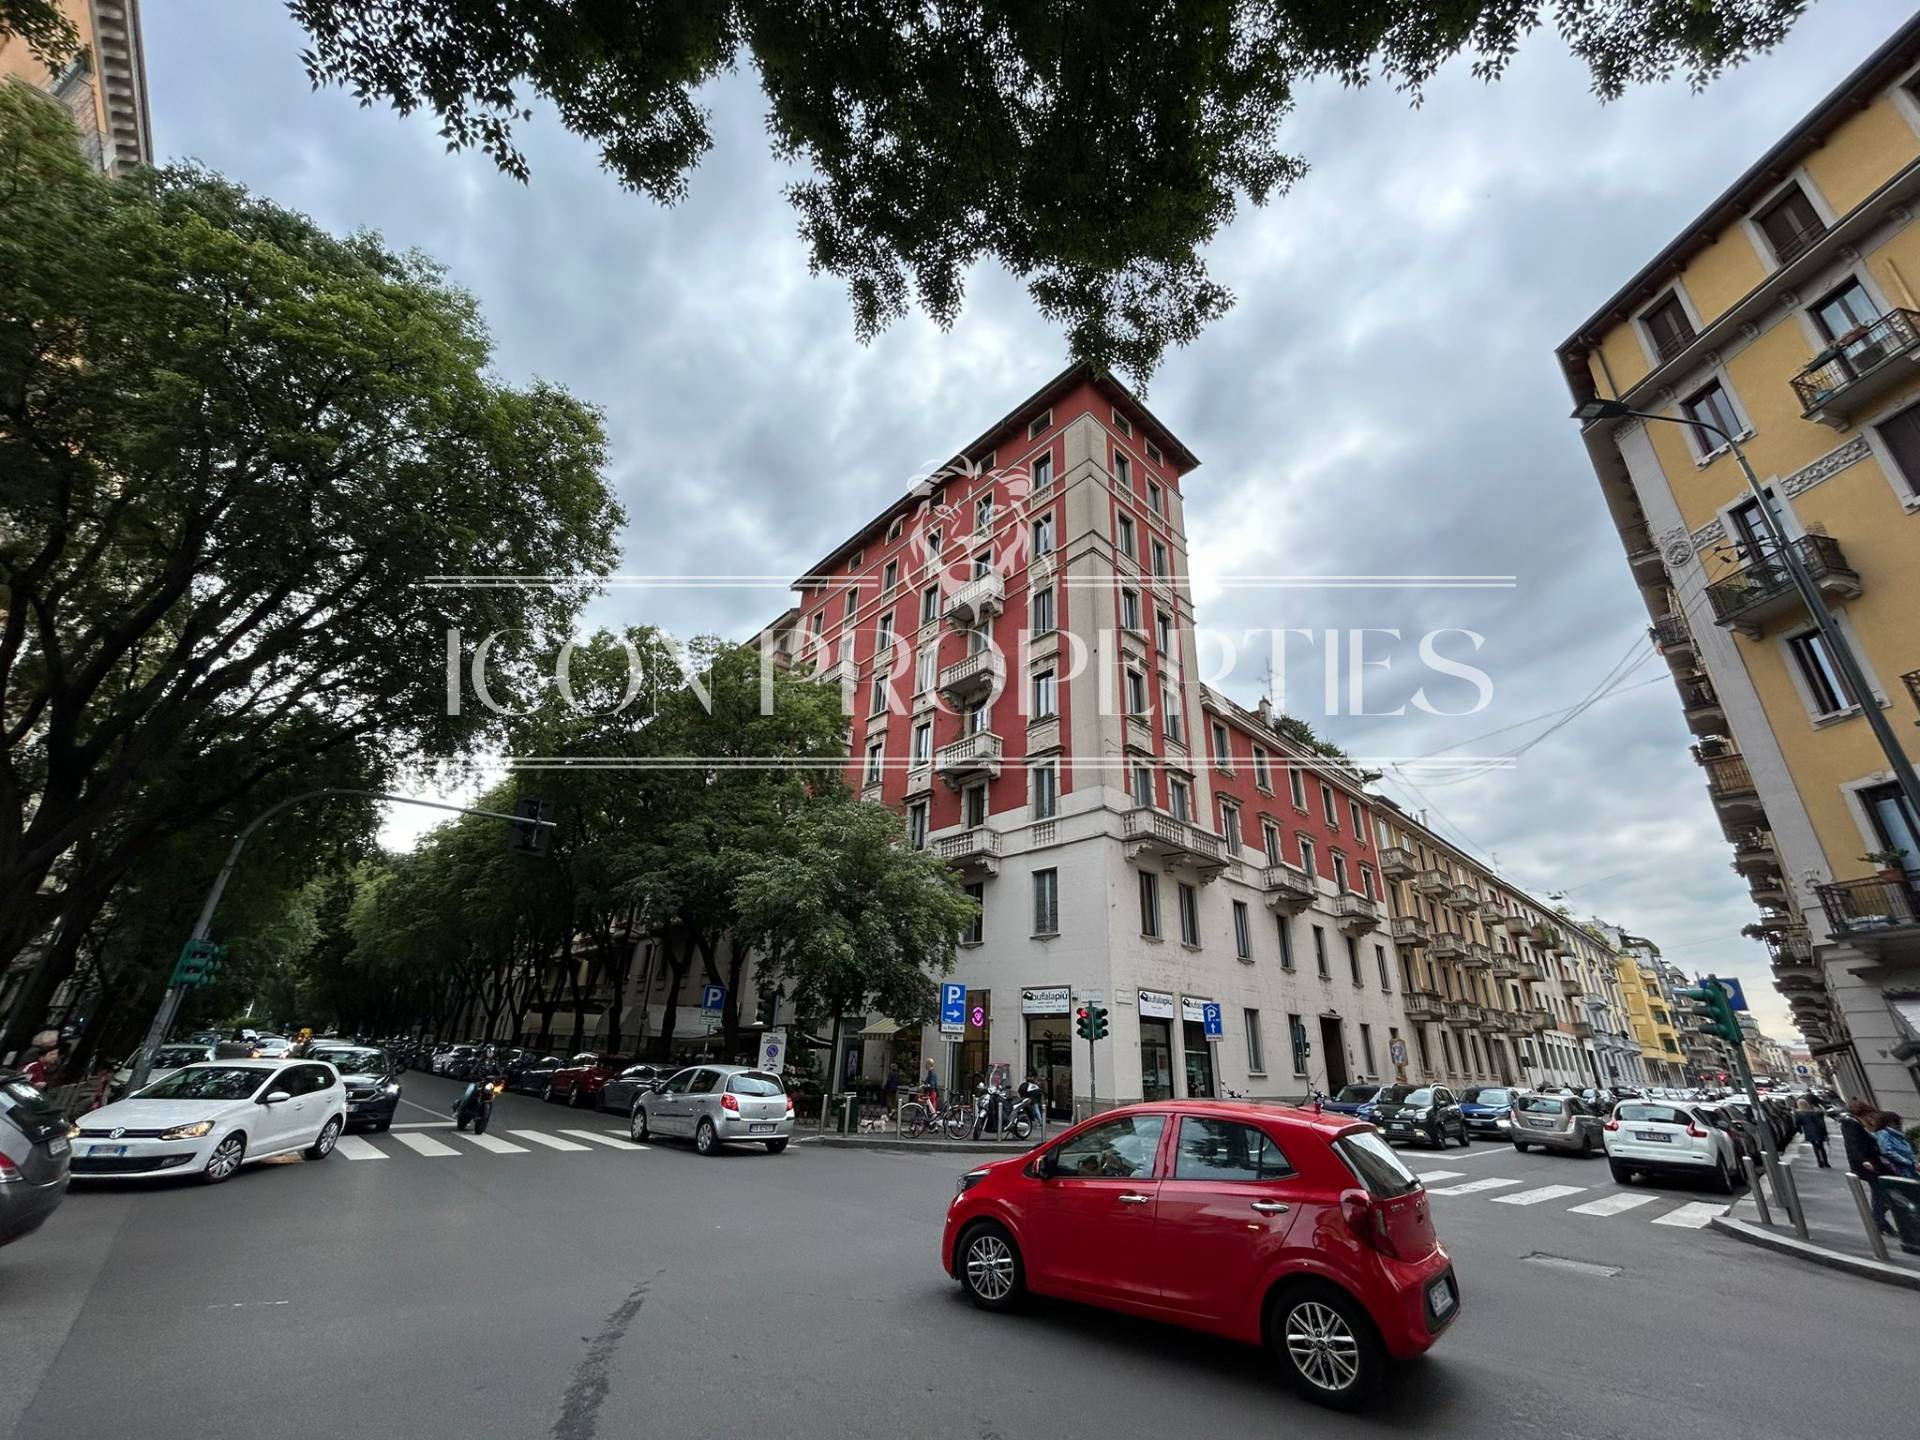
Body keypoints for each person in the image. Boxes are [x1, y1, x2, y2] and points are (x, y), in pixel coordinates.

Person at [1840, 1098, 1894, 1236]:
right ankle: (1878, 1221)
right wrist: (1864, 1160)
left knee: (1880, 1192)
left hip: (1870, 1162)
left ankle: (1879, 1222)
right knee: (1881, 1192)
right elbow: (1853, 1144)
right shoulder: (1851, 1124)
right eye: (1869, 1114)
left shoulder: (1856, 1123)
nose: (1871, 1117)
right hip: (1868, 1164)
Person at [1877, 1112, 1917, 1179]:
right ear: (1891, 1123)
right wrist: (1906, 1161)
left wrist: (1913, 1161)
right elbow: (1886, 1151)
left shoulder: (1897, 1135)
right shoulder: (1884, 1134)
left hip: (1910, 1167)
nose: (1900, 1125)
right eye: (1898, 1122)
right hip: (1901, 1169)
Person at [1795, 1095, 1831, 1168]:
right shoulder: (1815, 1113)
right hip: (1818, 1131)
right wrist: (1825, 1134)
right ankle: (1826, 1162)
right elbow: (1821, 1124)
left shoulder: (1799, 1114)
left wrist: (1800, 1131)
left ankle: (1819, 1161)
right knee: (1821, 1147)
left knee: (1815, 1147)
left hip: (1809, 1132)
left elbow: (1798, 1124)